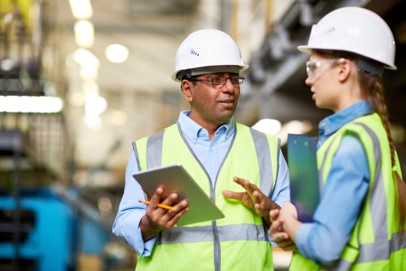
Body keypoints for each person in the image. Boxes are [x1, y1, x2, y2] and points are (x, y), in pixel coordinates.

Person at [112, 28, 290, 271]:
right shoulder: (149, 151)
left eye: (234, 78)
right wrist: (149, 224)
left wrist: (271, 211)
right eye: (216, 79)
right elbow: (124, 222)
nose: (229, 88)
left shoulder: (266, 148)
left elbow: (292, 228)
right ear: (187, 89)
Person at [269, 6, 406, 271]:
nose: (309, 80)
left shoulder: (351, 143)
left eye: (313, 67)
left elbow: (325, 246)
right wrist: (295, 227)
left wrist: (289, 221)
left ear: (343, 70)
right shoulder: (372, 133)